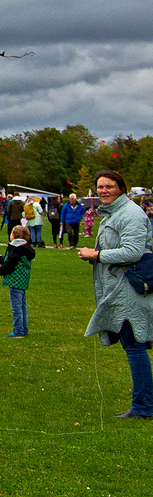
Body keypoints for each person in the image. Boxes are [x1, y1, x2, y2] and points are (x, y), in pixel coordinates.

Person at [77, 171, 153, 418]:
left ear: (122, 188)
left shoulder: (130, 214)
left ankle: (144, 407)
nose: (103, 191)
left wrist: (97, 255)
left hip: (130, 291)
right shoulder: (114, 213)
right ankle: (143, 405)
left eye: (109, 186)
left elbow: (133, 251)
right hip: (120, 289)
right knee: (133, 344)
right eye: (100, 187)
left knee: (134, 345)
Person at [0, 225, 35, 338]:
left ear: (14, 235)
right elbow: (10, 261)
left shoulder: (15, 248)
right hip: (22, 281)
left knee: (16, 307)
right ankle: (24, 329)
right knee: (22, 306)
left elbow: (9, 265)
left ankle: (18, 331)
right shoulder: (26, 248)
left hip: (15, 281)